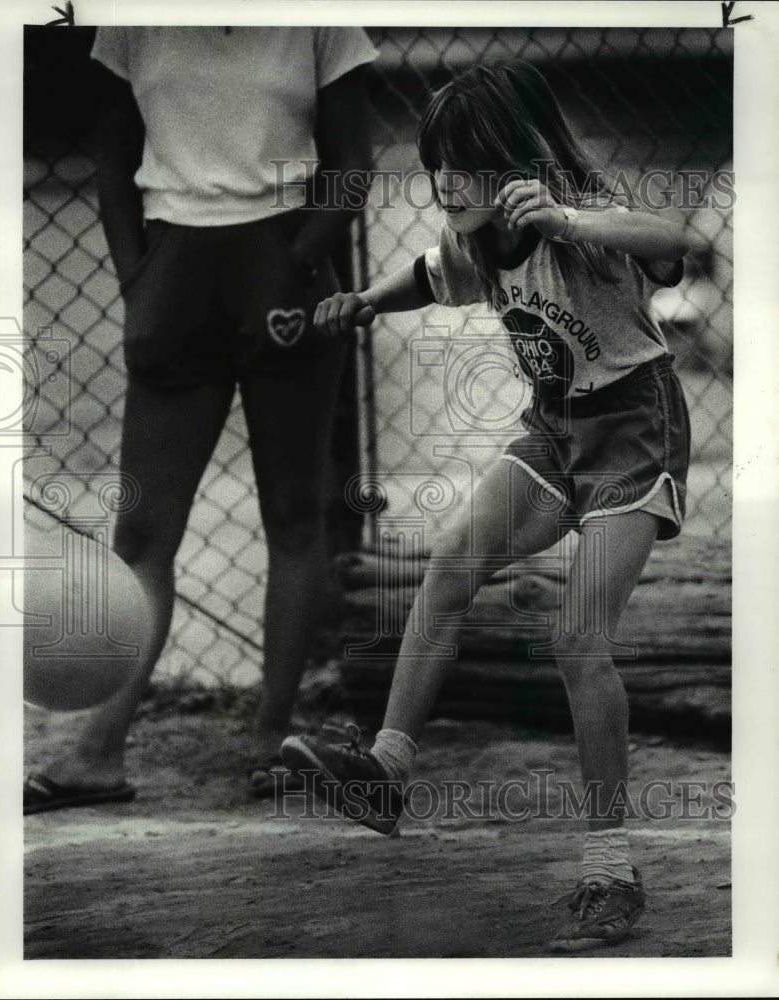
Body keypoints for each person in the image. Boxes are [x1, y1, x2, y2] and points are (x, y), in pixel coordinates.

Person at [281, 62, 699, 952]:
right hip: (552, 432)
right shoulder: (475, 244)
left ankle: (610, 868)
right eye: (437, 165)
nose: (444, 185)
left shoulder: (574, 221)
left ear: (515, 164)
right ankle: (388, 768)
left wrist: (566, 215)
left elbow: (674, 240)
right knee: (444, 576)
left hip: (634, 430)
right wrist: (361, 303)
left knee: (578, 635)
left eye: (464, 166)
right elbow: (427, 280)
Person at [23, 26, 377, 814]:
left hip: (286, 265)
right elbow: (112, 157)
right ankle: (98, 750)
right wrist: (136, 277)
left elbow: (354, 168)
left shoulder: (321, 18)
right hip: (174, 272)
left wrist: (301, 260)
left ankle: (271, 738)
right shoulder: (133, 19)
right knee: (143, 533)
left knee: (293, 513)